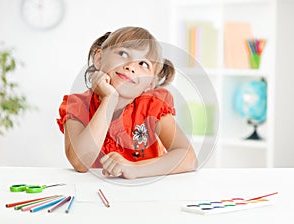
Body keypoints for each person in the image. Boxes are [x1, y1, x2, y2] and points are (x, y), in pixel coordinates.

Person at [57, 26, 197, 179]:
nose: (130, 67)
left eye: (143, 64)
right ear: (99, 59)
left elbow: (188, 158)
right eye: (123, 54)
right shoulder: (77, 105)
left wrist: (135, 168)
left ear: (150, 83)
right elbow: (80, 162)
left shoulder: (152, 106)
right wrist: (109, 99)